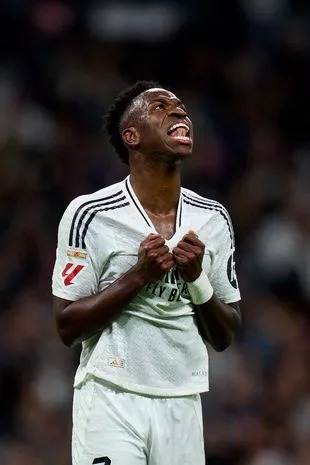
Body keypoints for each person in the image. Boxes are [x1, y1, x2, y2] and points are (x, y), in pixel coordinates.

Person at [52, 80, 241, 465]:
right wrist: (138, 276)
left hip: (182, 400)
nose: (178, 111)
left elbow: (225, 334)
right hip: (111, 394)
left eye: (181, 106)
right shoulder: (90, 214)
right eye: (159, 106)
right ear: (131, 135)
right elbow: (67, 325)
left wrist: (197, 279)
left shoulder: (214, 218)